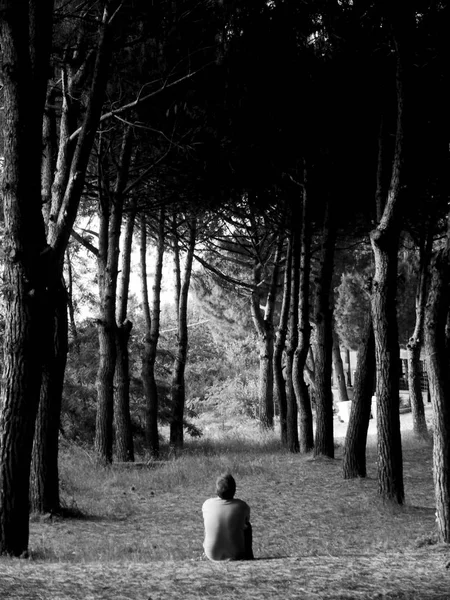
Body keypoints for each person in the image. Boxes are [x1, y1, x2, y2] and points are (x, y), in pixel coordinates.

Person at [202, 472, 254, 561]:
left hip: (212, 555)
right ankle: (249, 556)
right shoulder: (242, 506)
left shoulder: (207, 504)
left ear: (217, 490)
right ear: (234, 489)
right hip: (237, 554)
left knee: (209, 524)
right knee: (247, 526)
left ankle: (205, 553)